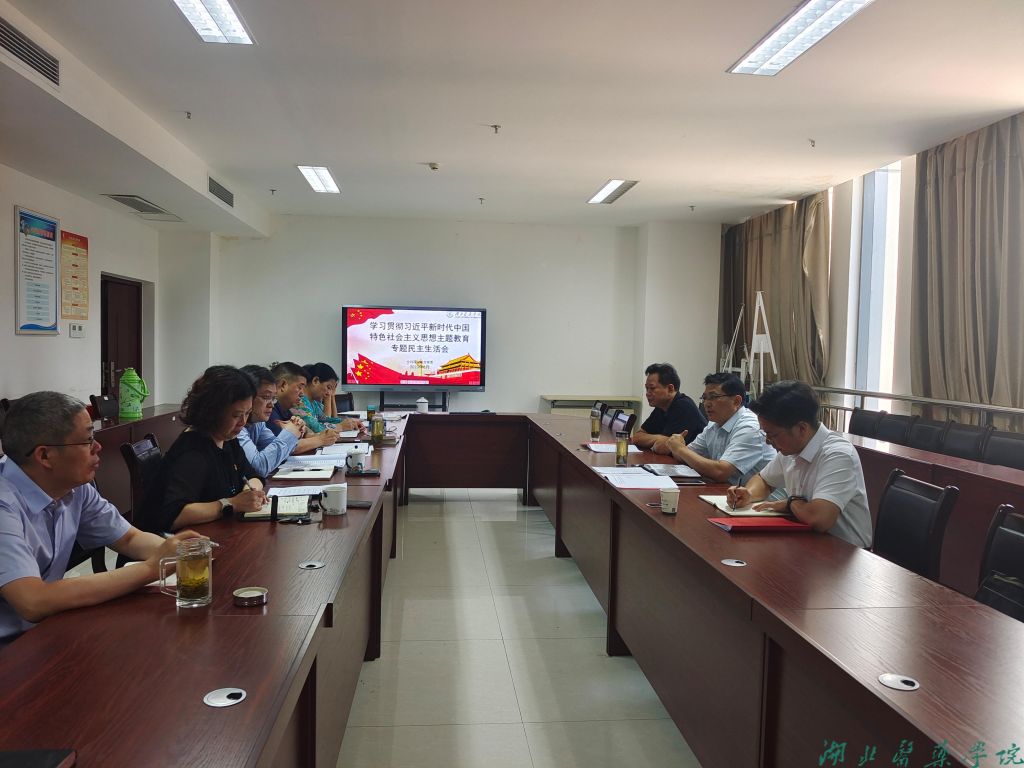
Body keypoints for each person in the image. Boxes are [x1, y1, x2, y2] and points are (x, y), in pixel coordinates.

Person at [0, 392, 202, 644]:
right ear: (44, 456)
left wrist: (186, 553)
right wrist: (152, 568)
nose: (98, 447)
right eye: (88, 440)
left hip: (47, 630)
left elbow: (128, 538)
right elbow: (33, 601)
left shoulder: (74, 487)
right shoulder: (4, 504)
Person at [726, 380, 873, 548]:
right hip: (807, 542)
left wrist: (790, 503)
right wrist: (749, 494)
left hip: (845, 552)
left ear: (801, 428)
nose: (768, 441)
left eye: (773, 435)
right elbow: (764, 479)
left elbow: (819, 519)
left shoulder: (838, 455)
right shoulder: (791, 448)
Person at [137, 366, 267, 533]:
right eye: (236, 415)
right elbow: (173, 515)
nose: (243, 422)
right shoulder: (193, 452)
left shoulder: (227, 439)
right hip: (168, 542)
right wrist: (232, 504)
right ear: (213, 412)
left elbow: (252, 475)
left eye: (247, 413)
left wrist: (249, 493)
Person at [665, 372, 776, 485]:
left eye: (713, 397)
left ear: (736, 401)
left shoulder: (750, 427)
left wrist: (680, 448)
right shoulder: (713, 424)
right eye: (704, 398)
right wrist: (678, 448)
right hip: (728, 491)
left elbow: (721, 472)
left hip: (758, 495)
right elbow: (685, 457)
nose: (706, 404)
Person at [237, 365, 304, 476]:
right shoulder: (235, 427)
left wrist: (295, 432)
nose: (271, 405)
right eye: (266, 397)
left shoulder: (258, 422)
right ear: (247, 396)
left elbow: (277, 454)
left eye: (273, 398)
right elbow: (258, 468)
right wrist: (289, 434)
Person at [631, 363, 707, 454]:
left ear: (670, 389)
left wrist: (656, 440)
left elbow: (663, 447)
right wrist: (659, 438)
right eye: (647, 388)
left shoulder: (684, 406)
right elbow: (637, 437)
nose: (647, 393)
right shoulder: (661, 407)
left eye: (652, 388)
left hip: (695, 461)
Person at [265, 361, 341, 452]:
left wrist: (316, 435)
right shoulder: (269, 412)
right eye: (299, 387)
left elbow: (306, 432)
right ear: (283, 385)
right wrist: (321, 440)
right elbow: (284, 447)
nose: (302, 394)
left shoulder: (285, 410)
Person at [299, 362, 360, 433]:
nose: (329, 393)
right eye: (328, 387)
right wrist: (340, 426)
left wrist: (351, 422)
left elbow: (325, 419)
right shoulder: (299, 401)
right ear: (315, 381)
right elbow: (314, 428)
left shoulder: (313, 403)